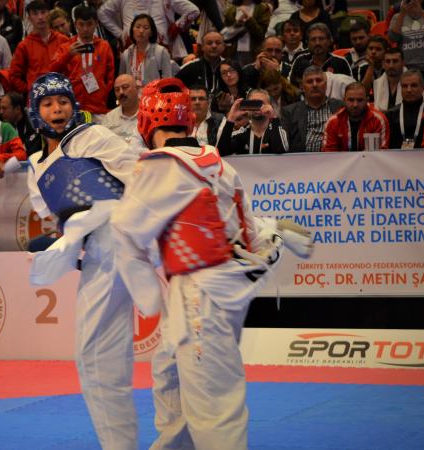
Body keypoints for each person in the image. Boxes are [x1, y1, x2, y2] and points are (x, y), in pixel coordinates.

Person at [110, 77, 312, 450]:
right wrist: (275, 238)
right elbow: (247, 232)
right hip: (217, 288)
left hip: (199, 296)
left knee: (212, 404)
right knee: (169, 372)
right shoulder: (218, 164)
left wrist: (145, 294)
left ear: (146, 122)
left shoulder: (160, 166)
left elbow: (125, 230)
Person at [25, 72, 140, 450]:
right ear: (35, 112)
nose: (56, 109)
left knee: (95, 357)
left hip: (121, 238)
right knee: (106, 356)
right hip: (96, 254)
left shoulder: (92, 136)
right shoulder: (36, 166)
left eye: (62, 101)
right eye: (47, 103)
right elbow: (53, 215)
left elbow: (138, 172)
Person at [48, 5, 115, 120]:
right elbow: (52, 72)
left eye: (89, 24)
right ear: (75, 25)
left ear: (96, 23)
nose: (85, 29)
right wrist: (68, 55)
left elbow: (110, 75)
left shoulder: (104, 46)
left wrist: (103, 92)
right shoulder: (66, 47)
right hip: (72, 106)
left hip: (98, 107)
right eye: (81, 24)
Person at [97, 0, 199, 60]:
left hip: (160, 49)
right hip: (131, 50)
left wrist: (176, 27)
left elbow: (193, 10)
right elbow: (102, 13)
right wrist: (120, 34)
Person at [389, 0, 424, 105]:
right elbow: (393, 38)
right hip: (407, 69)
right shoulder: (397, 17)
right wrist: (402, 13)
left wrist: (422, 13)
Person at [7, 1, 69, 98]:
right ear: (29, 18)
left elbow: (73, 69)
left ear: (48, 14)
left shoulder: (63, 40)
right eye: (35, 13)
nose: (40, 17)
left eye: (43, 12)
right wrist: (29, 89)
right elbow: (14, 76)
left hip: (62, 95)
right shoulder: (24, 45)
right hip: (36, 100)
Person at [280, 65, 343, 152]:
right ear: (302, 86)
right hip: (302, 162)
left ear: (326, 83)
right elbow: (283, 145)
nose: (314, 85)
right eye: (309, 81)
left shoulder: (340, 107)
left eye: (319, 80)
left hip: (336, 160)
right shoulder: (289, 112)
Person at [322, 82, 389, 151]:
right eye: (351, 100)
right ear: (344, 100)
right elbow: (328, 154)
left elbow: (381, 153)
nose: (355, 105)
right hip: (341, 162)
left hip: (370, 161)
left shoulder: (378, 120)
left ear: (367, 100)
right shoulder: (333, 122)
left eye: (360, 100)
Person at [219, 89, 289, 154]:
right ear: (247, 106)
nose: (257, 107)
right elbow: (222, 152)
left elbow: (280, 152)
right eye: (252, 103)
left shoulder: (280, 132)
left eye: (260, 103)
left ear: (270, 106)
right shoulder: (240, 134)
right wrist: (231, 118)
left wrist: (273, 117)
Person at [118, 14, 173, 87]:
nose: (141, 31)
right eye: (137, 27)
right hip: (132, 97)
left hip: (155, 96)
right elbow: (121, 82)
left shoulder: (161, 52)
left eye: (146, 28)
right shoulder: (126, 54)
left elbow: (168, 83)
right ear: (132, 30)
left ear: (151, 32)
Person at [386, 69, 424, 149]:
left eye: (414, 85)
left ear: (423, 88)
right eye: (405, 86)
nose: (409, 90)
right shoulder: (391, 115)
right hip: (396, 159)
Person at [222, 0, 272, 67]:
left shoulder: (262, 8)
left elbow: (260, 35)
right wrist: (237, 25)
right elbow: (225, 37)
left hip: (254, 52)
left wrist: (249, 20)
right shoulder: (231, 9)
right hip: (234, 52)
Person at [101, 74, 142, 144]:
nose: (121, 92)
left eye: (125, 87)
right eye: (117, 90)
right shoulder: (109, 118)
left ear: (137, 88)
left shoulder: (149, 114)